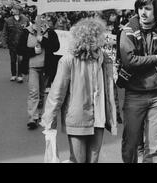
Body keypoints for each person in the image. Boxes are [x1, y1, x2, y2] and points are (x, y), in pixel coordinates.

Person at [41, 18, 117, 163]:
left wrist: (113, 114)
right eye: (97, 36)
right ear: (87, 38)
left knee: (93, 161)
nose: (101, 39)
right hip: (77, 120)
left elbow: (109, 90)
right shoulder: (69, 60)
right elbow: (57, 93)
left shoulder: (104, 58)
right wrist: (49, 121)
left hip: (99, 119)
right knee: (78, 160)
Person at [119, 0, 157, 163]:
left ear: (156, 11)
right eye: (140, 8)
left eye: (147, 8)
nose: (143, 12)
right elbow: (129, 60)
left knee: (153, 148)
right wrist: (156, 58)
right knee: (130, 144)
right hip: (134, 94)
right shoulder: (128, 31)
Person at [17, 13, 60, 130]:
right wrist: (32, 51)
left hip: (46, 67)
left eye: (43, 18)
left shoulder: (50, 32)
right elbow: (19, 49)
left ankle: (39, 114)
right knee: (33, 92)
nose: (41, 20)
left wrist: (44, 40)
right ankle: (32, 117)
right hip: (32, 67)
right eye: (38, 18)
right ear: (34, 20)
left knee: (41, 93)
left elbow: (56, 47)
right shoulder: (26, 32)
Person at [2, 4, 29, 83]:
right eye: (13, 9)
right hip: (12, 42)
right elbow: (4, 32)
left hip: (22, 43)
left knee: (20, 59)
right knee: (13, 59)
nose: (12, 10)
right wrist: (3, 41)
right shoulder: (8, 20)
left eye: (14, 9)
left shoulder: (26, 19)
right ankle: (13, 74)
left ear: (19, 10)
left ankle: (20, 75)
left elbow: (29, 30)